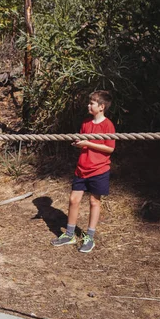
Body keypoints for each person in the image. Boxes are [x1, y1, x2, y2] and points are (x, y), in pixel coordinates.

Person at [51, 90, 115, 253]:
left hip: (99, 169)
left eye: (92, 103)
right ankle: (70, 234)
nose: (88, 105)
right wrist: (79, 143)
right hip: (82, 168)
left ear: (101, 107)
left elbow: (109, 148)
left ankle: (90, 237)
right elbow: (83, 142)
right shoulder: (86, 123)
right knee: (73, 199)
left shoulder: (108, 125)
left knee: (94, 202)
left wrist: (88, 143)